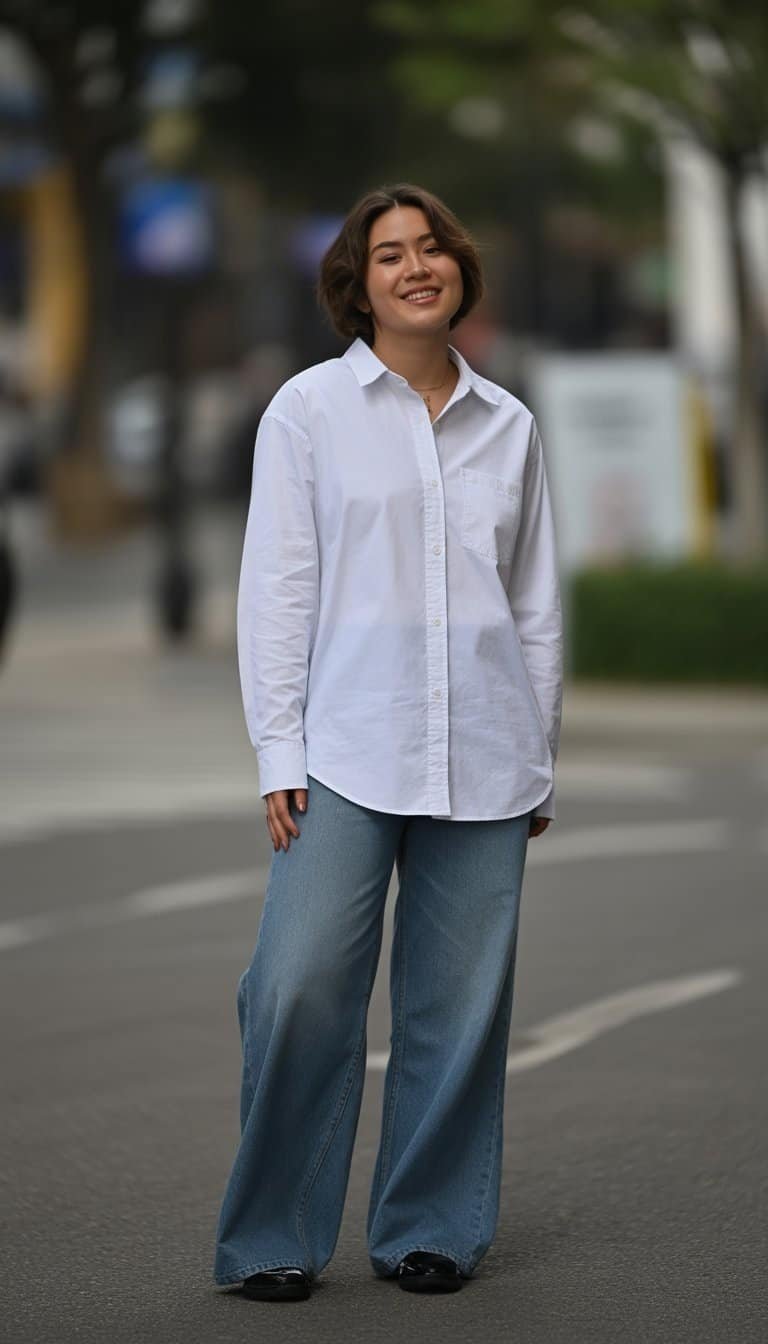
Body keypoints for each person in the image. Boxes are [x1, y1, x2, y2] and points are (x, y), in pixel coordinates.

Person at [213, 182, 563, 1302]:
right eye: (390, 254)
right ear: (356, 287)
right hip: (345, 750)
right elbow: (277, 592)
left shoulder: (509, 425)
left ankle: (430, 1228)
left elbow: (535, 606)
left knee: (457, 1011)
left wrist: (539, 758)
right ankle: (272, 1236)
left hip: (488, 753)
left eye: (432, 248)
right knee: (299, 983)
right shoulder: (307, 412)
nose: (417, 267)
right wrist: (278, 750)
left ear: (460, 268)